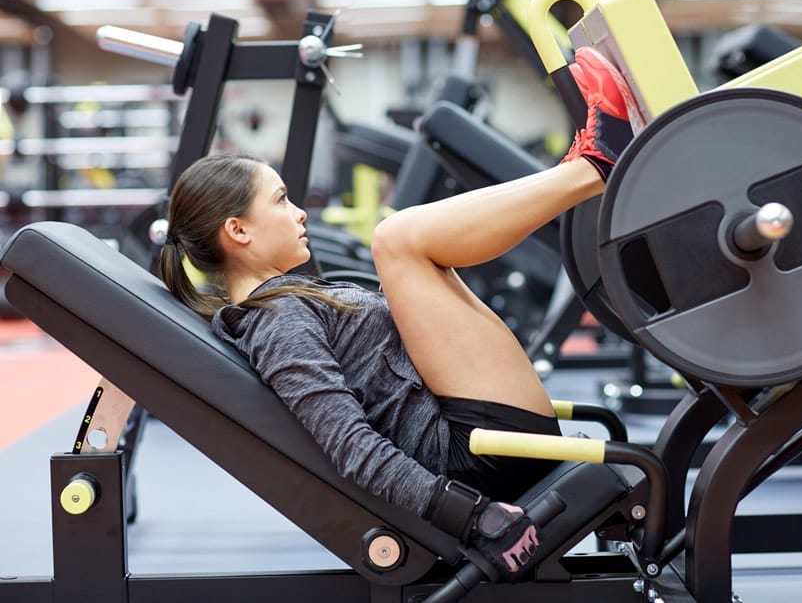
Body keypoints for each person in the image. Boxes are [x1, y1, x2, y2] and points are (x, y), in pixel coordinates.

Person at [158, 47, 636, 581]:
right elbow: (350, 446)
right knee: (397, 239)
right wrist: (471, 516)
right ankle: (595, 165)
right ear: (238, 231)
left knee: (414, 248)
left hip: (481, 435)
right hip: (475, 460)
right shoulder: (277, 323)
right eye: (281, 200)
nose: (299, 212)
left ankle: (589, 165)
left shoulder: (287, 301)